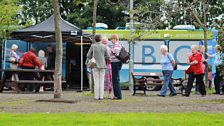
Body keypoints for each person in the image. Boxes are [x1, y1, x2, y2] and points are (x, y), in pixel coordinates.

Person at [87, 35, 110, 100]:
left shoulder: (93, 46)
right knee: (102, 81)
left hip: (95, 65)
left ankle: (96, 96)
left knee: (96, 81)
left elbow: (88, 55)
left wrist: (93, 57)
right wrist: (102, 57)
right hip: (103, 65)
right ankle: (101, 96)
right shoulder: (104, 46)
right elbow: (108, 56)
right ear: (100, 39)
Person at [110, 34, 123, 100]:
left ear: (115, 39)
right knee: (116, 79)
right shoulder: (118, 44)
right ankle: (117, 95)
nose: (111, 40)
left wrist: (110, 55)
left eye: (112, 39)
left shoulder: (117, 45)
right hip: (117, 62)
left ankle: (118, 96)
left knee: (115, 79)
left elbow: (116, 53)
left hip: (115, 63)